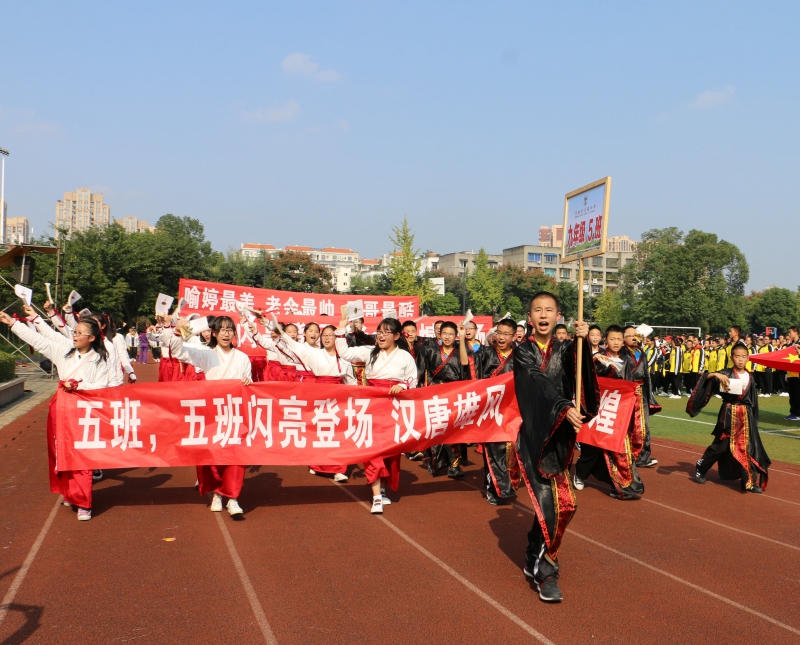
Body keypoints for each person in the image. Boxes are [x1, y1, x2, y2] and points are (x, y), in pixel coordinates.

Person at [513, 292, 599, 603]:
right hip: (535, 437)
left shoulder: (566, 348)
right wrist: (564, 406)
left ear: (559, 314)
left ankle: (531, 554)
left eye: (549, 309)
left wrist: (582, 344)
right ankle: (546, 570)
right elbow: (538, 382)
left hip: (561, 437)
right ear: (530, 315)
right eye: (538, 309)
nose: (544, 314)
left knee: (549, 505)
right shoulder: (523, 353)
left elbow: (584, 377)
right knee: (561, 504)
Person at [0, 309, 109, 521]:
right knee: (60, 452)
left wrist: (78, 385)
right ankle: (69, 491)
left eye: (80, 333)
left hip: (85, 413)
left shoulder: (99, 360)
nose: (75, 335)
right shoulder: (64, 351)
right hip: (61, 407)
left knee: (82, 455)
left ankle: (84, 502)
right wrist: (13, 324)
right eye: (75, 332)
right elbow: (38, 340)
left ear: (92, 338)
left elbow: (102, 386)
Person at [162, 315, 252, 517]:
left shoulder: (242, 357)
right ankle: (217, 494)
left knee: (236, 456)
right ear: (214, 333)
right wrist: (178, 332)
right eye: (223, 330)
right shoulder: (206, 353)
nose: (227, 334)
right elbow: (179, 352)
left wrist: (248, 381)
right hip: (212, 411)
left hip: (234, 412)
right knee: (213, 455)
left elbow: (250, 381)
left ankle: (233, 498)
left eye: (230, 330)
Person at [335, 314, 417, 514]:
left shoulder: (405, 356)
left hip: (393, 409)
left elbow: (413, 380)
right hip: (371, 407)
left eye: (387, 332)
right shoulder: (369, 352)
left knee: (389, 452)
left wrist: (401, 385)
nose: (381, 336)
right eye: (379, 331)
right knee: (372, 451)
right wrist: (341, 330)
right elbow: (344, 353)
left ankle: (381, 488)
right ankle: (377, 497)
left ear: (397, 336)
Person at [263, 318, 354, 483]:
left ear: (338, 338)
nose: (326, 338)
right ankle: (317, 465)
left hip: (337, 397)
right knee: (320, 430)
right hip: (319, 394)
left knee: (338, 433)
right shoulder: (314, 353)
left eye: (331, 335)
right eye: (324, 335)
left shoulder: (344, 360)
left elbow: (351, 381)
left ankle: (338, 468)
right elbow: (294, 345)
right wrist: (278, 330)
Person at [574, 325, 647, 499]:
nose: (616, 342)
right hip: (600, 408)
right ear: (605, 340)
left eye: (619, 339)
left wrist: (635, 391)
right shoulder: (598, 358)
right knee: (594, 445)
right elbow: (587, 382)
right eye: (612, 339)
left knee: (619, 448)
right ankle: (581, 472)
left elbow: (631, 383)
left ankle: (624, 483)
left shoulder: (627, 360)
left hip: (619, 411)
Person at [688, 344, 770, 493]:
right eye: (737, 356)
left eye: (743, 357)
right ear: (732, 357)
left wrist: (754, 420)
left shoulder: (750, 376)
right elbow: (705, 379)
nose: (740, 360)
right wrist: (714, 375)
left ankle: (749, 482)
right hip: (728, 413)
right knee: (722, 445)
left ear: (748, 358)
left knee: (746, 447)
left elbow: (753, 400)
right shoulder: (725, 373)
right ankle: (702, 466)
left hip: (745, 415)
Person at [462, 317, 519, 505]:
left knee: (512, 449)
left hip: (513, 410)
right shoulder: (485, 352)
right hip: (492, 409)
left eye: (506, 334)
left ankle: (506, 485)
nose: (501, 337)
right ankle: (494, 488)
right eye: (499, 333)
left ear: (514, 336)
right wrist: (462, 339)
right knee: (493, 449)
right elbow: (467, 363)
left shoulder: (521, 355)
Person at [423, 321, 467, 478]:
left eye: (450, 334)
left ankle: (454, 465)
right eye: (444, 334)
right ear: (439, 335)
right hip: (435, 395)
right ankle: (435, 461)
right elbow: (424, 372)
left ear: (455, 336)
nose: (447, 337)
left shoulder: (461, 351)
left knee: (453, 431)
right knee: (436, 430)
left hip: (454, 395)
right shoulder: (429, 350)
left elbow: (465, 367)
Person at [786, 326, 800, 420]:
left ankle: (798, 413)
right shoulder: (790, 345)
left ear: (796, 332)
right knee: (792, 395)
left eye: (790, 332)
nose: (789, 334)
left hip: (798, 374)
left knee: (797, 394)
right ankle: (793, 412)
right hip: (791, 373)